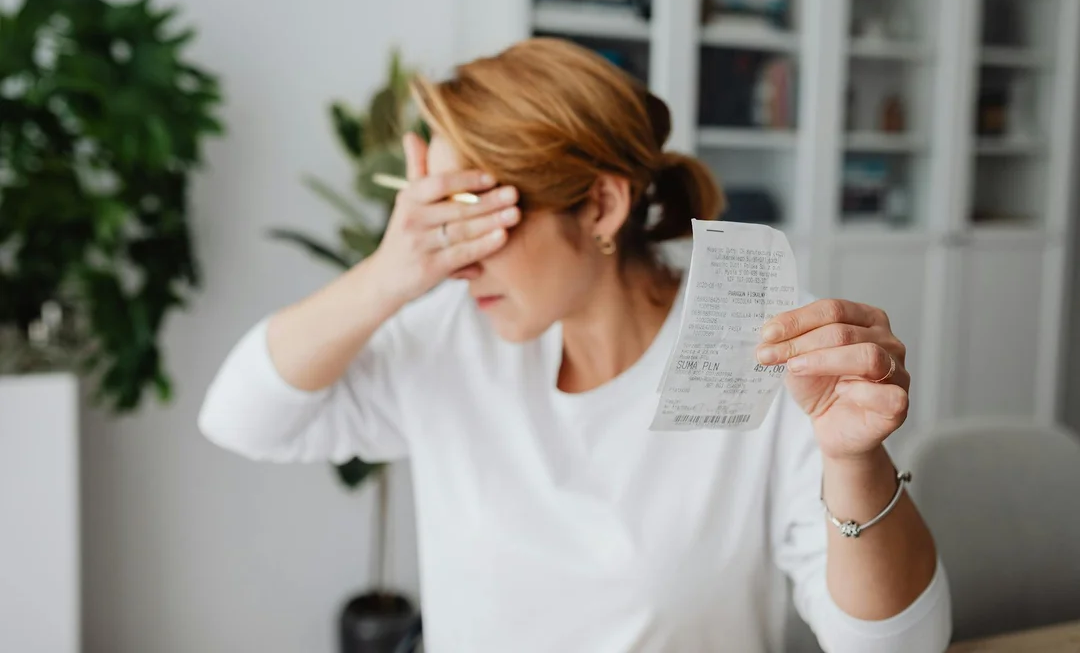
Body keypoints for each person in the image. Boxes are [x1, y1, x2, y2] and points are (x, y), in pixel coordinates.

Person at [199, 38, 951, 652]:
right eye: (441, 224)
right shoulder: (451, 338)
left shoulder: (759, 351)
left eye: (476, 216)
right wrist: (389, 274)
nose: (458, 262)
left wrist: (855, 462)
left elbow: (898, 648)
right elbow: (240, 419)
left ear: (599, 204)